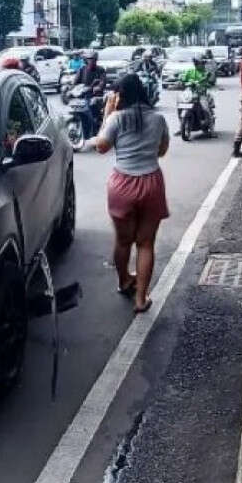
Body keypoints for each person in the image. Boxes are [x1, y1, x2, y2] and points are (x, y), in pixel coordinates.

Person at [90, 73, 171, 313]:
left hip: (122, 185)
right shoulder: (158, 119)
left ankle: (124, 280)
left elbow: (101, 147)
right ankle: (141, 299)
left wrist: (107, 113)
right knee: (146, 243)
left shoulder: (116, 118)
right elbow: (162, 151)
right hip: (151, 183)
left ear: (120, 95)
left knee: (123, 241)